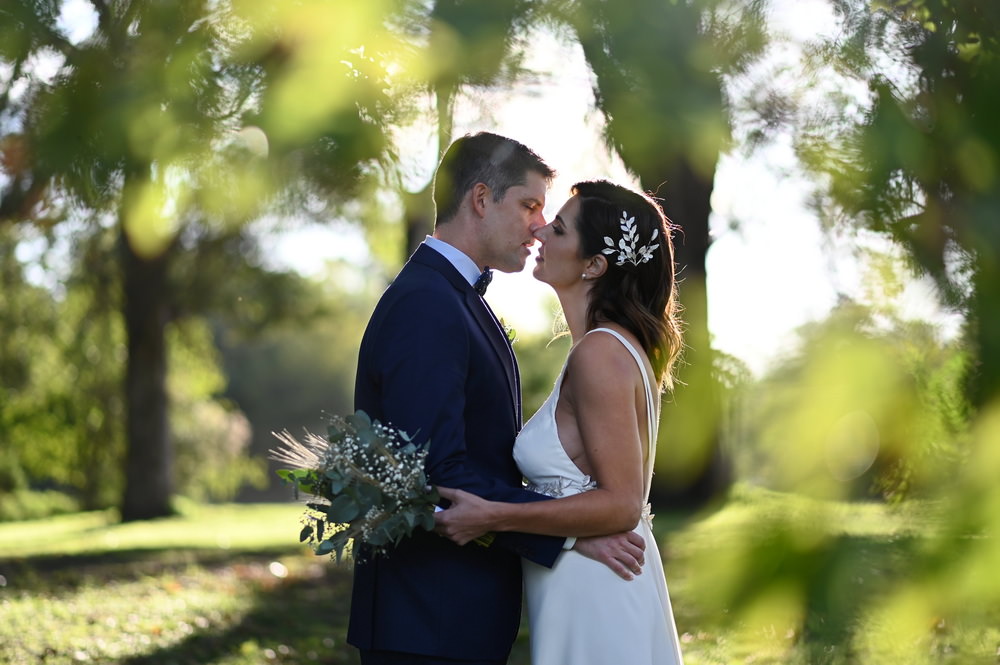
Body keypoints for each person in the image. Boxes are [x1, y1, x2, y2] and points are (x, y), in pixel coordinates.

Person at [349, 134, 646, 665]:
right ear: (482, 199)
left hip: (451, 618)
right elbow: (439, 470)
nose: (539, 223)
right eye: (530, 205)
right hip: (426, 621)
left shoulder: (456, 301)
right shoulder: (428, 305)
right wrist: (570, 536)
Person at [434, 179, 686, 665]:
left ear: (594, 265)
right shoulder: (608, 348)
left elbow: (621, 505)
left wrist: (494, 515)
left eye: (560, 228)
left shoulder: (601, 354)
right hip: (584, 581)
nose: (541, 231)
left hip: (598, 593)